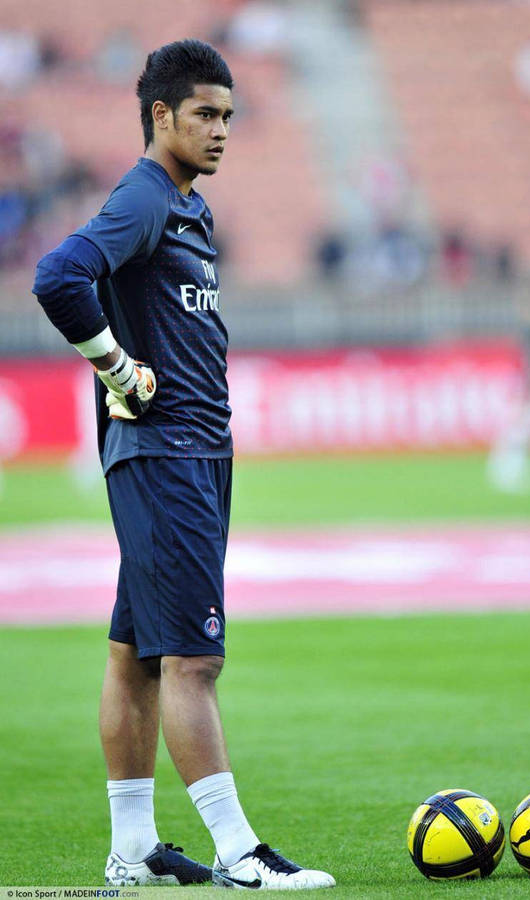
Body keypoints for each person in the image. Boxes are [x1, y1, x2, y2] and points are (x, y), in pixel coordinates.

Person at [32, 39, 335, 890]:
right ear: (160, 115)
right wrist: (117, 367)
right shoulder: (143, 197)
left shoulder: (186, 207)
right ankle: (239, 852)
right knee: (194, 661)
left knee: (134, 653)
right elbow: (61, 277)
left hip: (191, 453)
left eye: (229, 115)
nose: (221, 130)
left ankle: (132, 848)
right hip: (169, 453)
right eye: (205, 113)